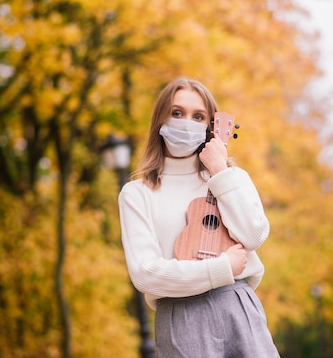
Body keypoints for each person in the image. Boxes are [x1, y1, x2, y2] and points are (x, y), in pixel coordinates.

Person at [118, 77, 279, 357]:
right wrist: (220, 268)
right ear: (160, 121)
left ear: (210, 126)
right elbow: (145, 273)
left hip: (236, 304)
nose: (186, 122)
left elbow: (253, 235)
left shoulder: (231, 179)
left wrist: (220, 171)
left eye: (198, 116)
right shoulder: (136, 194)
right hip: (179, 314)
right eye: (177, 113)